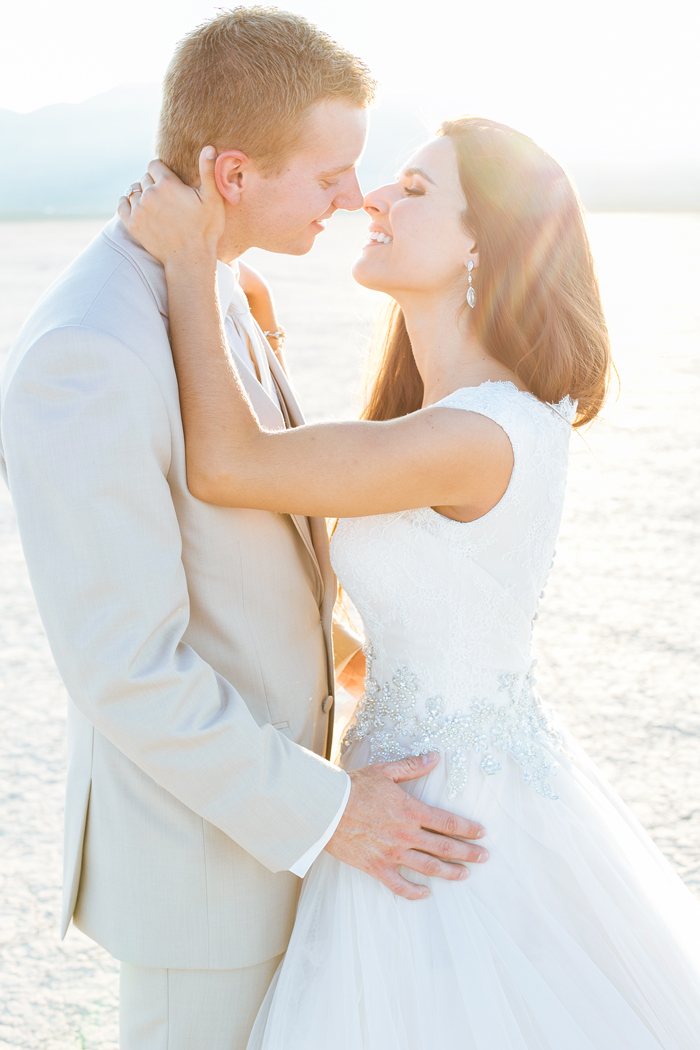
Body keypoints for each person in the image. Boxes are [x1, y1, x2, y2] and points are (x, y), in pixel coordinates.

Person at [119, 115, 700, 1048]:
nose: (374, 199)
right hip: (408, 799)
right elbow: (410, 616)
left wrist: (193, 268)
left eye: (415, 190)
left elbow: (229, 465)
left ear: (486, 242)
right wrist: (247, 316)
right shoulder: (451, 419)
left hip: (444, 826)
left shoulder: (476, 435)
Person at [0, 10, 490, 1050]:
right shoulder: (89, 351)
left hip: (287, 843)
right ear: (231, 174)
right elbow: (126, 669)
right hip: (206, 879)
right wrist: (329, 811)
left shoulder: (214, 285)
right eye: (329, 176)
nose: (354, 198)